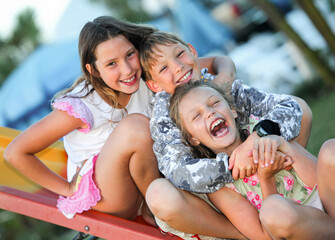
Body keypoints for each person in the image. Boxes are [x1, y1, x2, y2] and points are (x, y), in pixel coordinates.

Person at [3, 15, 239, 231]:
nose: (127, 70)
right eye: (111, 64)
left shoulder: (147, 76)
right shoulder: (83, 105)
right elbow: (16, 152)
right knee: (136, 127)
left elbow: (218, 61)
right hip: (106, 194)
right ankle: (159, 215)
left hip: (147, 177)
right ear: (93, 70)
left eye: (129, 55)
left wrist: (222, 83)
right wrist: (67, 189)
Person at [138, 31, 312, 239]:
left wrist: (257, 140)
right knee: (159, 194)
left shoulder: (218, 86)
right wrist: (235, 163)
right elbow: (179, 172)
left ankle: (296, 190)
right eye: (164, 68)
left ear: (193, 52)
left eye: (180, 55)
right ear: (154, 85)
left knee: (301, 107)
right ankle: (246, 234)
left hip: (256, 161)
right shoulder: (165, 117)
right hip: (216, 188)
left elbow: (289, 107)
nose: (177, 66)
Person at [169, 80, 331, 239]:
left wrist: (283, 144)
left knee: (330, 149)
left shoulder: (261, 130)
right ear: (193, 139)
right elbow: (266, 236)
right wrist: (265, 177)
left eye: (215, 103)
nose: (209, 112)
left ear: (232, 110)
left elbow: (318, 182)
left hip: (327, 205)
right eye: (196, 116)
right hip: (295, 227)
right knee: (273, 210)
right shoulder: (221, 186)